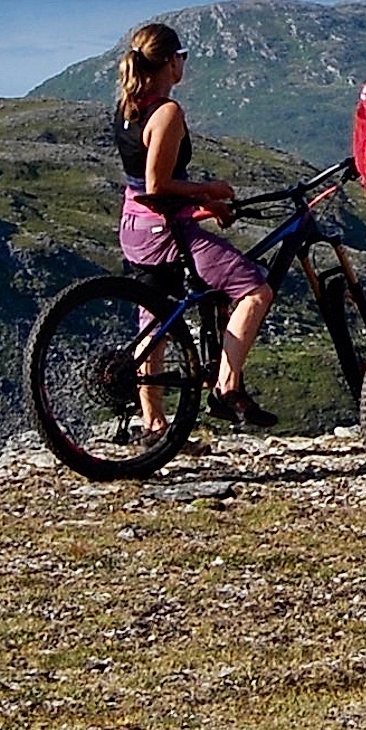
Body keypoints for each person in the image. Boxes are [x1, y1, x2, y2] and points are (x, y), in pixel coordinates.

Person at [109, 21, 278, 428]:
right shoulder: (166, 112)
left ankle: (154, 425)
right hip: (165, 231)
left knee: (155, 321)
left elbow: (142, 187)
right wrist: (211, 190)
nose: (183, 64)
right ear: (170, 62)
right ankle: (227, 387)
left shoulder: (128, 106)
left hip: (135, 226)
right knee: (255, 290)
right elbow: (157, 184)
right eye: (182, 57)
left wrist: (202, 204)